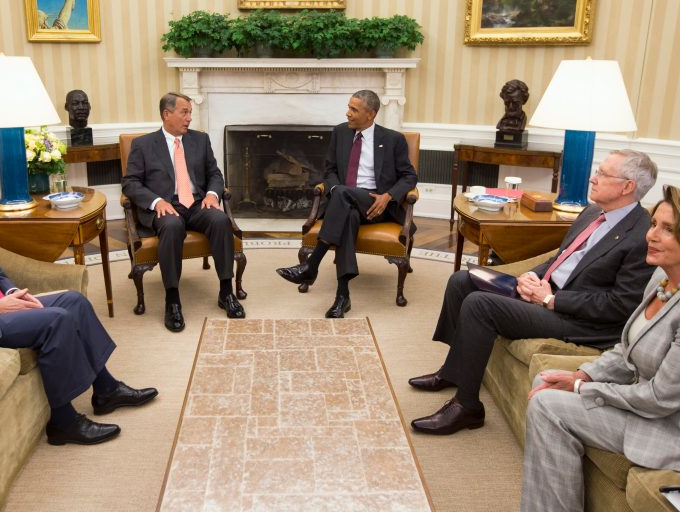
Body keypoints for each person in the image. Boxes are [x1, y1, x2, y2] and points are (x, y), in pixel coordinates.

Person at [0, 142, 158, 446]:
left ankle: (106, 390)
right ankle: (63, 422)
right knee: (55, 320)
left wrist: (12, 290)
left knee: (74, 300)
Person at [408, 149, 658, 435]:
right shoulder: (592, 213)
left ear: (627, 186)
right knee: (462, 282)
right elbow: (560, 257)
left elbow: (619, 305)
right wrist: (532, 275)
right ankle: (454, 370)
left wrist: (551, 299)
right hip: (547, 292)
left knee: (480, 305)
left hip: (580, 321)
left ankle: (467, 407)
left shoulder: (640, 236)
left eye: (602, 173)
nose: (592, 178)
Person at [522, 185, 680, 512]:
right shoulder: (661, 280)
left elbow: (660, 399)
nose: (651, 235)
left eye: (667, 229)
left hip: (666, 425)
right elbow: (628, 350)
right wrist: (582, 372)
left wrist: (585, 387)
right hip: (644, 404)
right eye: (653, 224)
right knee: (546, 383)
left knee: (549, 406)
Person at [275, 90, 418, 318]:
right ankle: (342, 296)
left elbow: (409, 176)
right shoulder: (340, 132)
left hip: (375, 204)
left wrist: (388, 196)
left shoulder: (393, 140)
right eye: (348, 108)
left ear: (370, 114)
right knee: (347, 214)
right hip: (345, 202)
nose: (347, 113)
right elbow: (329, 170)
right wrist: (336, 191)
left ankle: (312, 266)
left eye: (354, 110)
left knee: (342, 198)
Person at [122, 92, 244, 332]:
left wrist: (212, 194)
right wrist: (156, 201)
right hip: (167, 205)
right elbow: (130, 183)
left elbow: (215, 175)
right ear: (167, 114)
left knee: (220, 220)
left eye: (190, 113)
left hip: (198, 203)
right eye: (184, 112)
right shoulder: (143, 145)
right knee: (172, 226)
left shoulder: (200, 140)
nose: (189, 118)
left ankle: (226, 291)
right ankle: (172, 299)